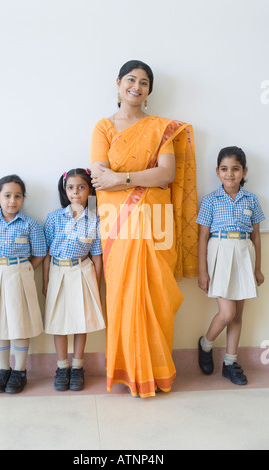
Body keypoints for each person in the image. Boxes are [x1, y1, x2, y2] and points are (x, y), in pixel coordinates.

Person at [90, 60, 198, 398]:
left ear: (149, 91)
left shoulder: (162, 128)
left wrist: (122, 178)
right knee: (123, 294)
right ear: (119, 82)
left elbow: (166, 174)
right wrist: (137, 179)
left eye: (145, 83)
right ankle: (127, 372)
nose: (137, 87)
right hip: (118, 227)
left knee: (157, 295)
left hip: (156, 224)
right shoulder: (103, 127)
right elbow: (98, 178)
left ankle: (157, 372)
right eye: (132, 80)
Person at [196, 146, 265, 385]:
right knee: (227, 313)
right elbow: (203, 238)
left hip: (244, 253)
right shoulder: (210, 200)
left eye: (235, 169)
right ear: (217, 171)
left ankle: (230, 362)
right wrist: (203, 271)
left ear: (244, 171)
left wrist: (257, 268)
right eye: (224, 169)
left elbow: (256, 237)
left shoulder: (252, 200)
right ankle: (206, 344)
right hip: (220, 253)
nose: (230, 173)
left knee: (238, 315)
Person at [0, 174, 47, 393]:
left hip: (21, 274)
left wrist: (22, 269)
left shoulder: (31, 225)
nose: (12, 201)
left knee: (20, 321)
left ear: (23, 199)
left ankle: (20, 371)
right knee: (0, 323)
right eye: (7, 196)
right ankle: (3, 369)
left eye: (17, 196)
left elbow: (40, 253)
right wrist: (0, 267)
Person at [43, 168, 105, 392]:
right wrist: (46, 281)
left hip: (83, 271)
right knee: (59, 322)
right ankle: (62, 366)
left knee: (81, 321)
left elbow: (97, 257)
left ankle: (78, 366)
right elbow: (48, 253)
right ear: (64, 190)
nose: (76, 192)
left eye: (81, 187)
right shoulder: (54, 218)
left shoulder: (94, 218)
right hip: (59, 271)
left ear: (89, 190)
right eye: (70, 187)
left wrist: (96, 286)